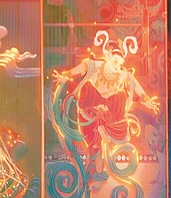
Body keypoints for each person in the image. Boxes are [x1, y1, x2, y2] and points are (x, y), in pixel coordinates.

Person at [52, 33, 159, 182]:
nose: (117, 66)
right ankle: (94, 172)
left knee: (121, 96)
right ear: (108, 56)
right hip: (89, 113)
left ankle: (96, 169)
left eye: (120, 63)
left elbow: (139, 90)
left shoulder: (124, 74)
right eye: (115, 61)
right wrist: (66, 76)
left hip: (110, 117)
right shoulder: (94, 66)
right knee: (94, 146)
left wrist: (146, 101)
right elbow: (77, 70)